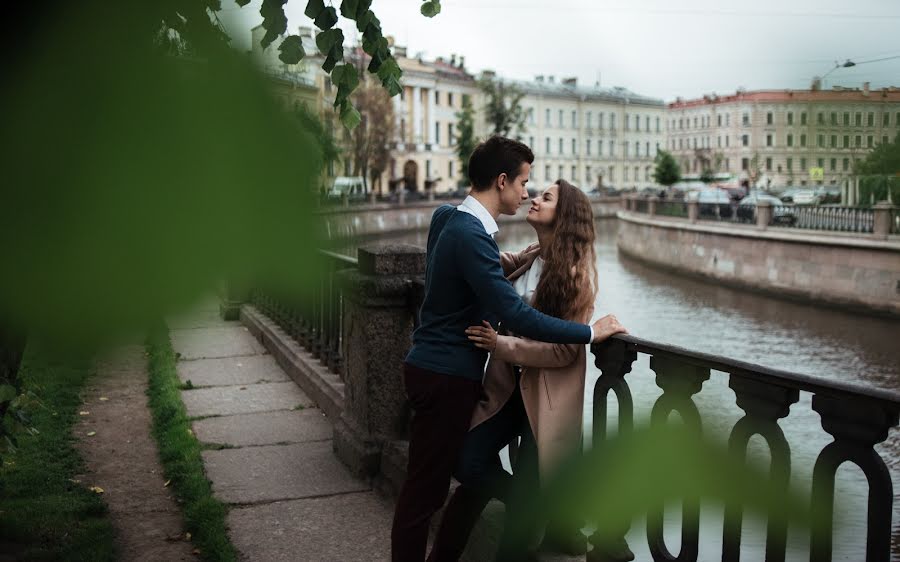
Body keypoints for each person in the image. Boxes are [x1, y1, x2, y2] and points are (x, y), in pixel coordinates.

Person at [391, 137, 627, 562]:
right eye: (524, 184)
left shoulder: (569, 274)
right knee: (447, 479)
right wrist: (588, 335)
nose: (529, 195)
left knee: (447, 488)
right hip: (477, 381)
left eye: (542, 193)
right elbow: (511, 307)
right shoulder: (484, 236)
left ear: (565, 215)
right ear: (502, 182)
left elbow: (552, 345)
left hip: (540, 399)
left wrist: (582, 334)